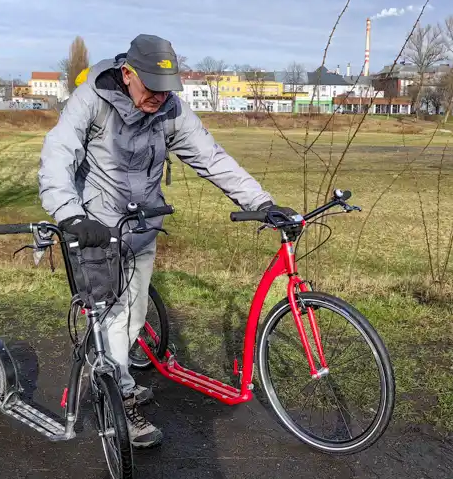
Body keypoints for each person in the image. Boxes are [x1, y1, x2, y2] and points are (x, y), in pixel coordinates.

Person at [38, 34, 294, 449]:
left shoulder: (170, 109)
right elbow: (58, 153)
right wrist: (70, 214)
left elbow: (211, 158)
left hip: (142, 228)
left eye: (166, 88)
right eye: (152, 87)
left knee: (134, 320)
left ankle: (115, 373)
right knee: (113, 321)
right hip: (98, 231)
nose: (159, 96)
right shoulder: (95, 98)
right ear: (128, 73)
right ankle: (120, 404)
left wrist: (262, 203)